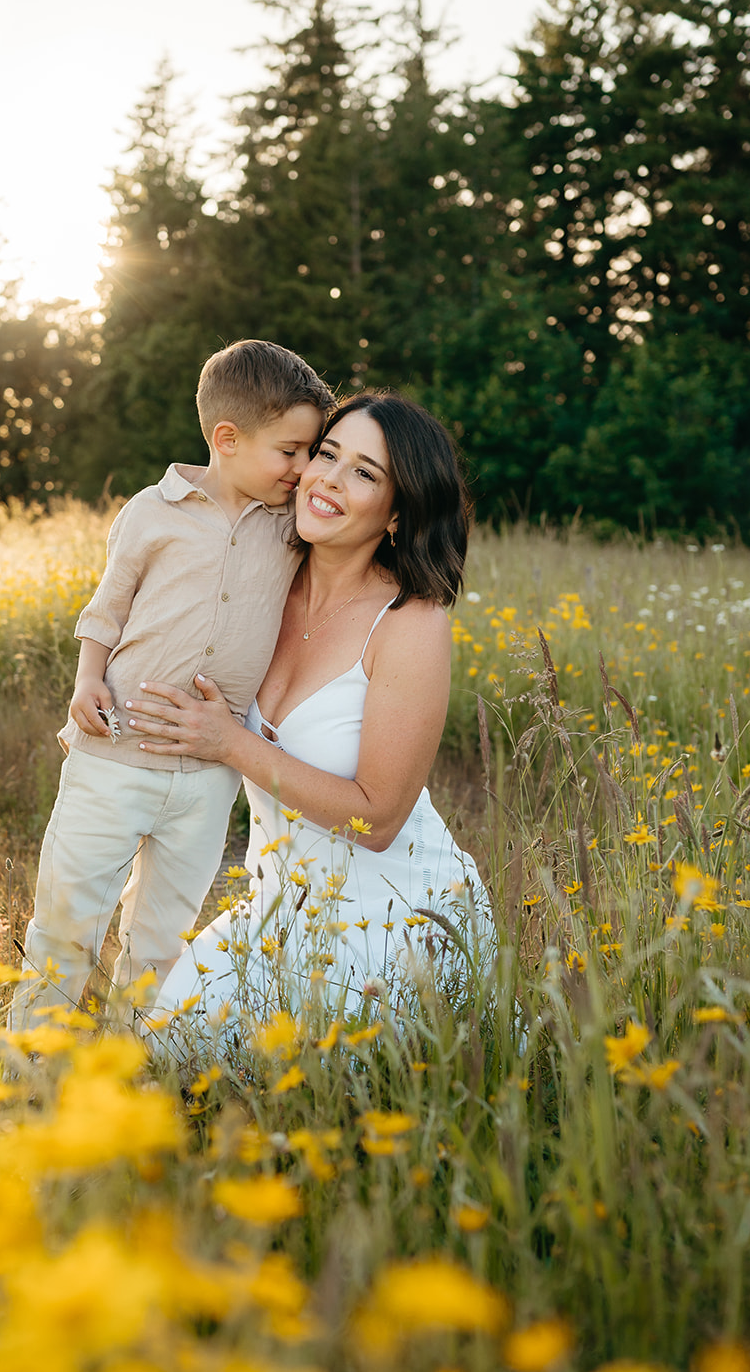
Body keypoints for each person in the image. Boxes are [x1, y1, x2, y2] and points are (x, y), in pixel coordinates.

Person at [124, 391, 494, 1025]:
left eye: (365, 473)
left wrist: (231, 743)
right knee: (164, 1042)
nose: (328, 478)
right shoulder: (258, 581)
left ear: (398, 514)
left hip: (396, 919)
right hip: (280, 908)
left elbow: (377, 820)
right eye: (328, 453)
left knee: (317, 1086)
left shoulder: (410, 621)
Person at [10, 339, 336, 1030]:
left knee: (164, 936)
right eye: (291, 451)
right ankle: (32, 1066)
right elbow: (107, 606)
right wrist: (85, 677)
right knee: (68, 923)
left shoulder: (290, 529)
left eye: (312, 452)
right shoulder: (152, 512)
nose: (304, 468)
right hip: (114, 752)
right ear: (227, 438)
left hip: (209, 772)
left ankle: (133, 1058)